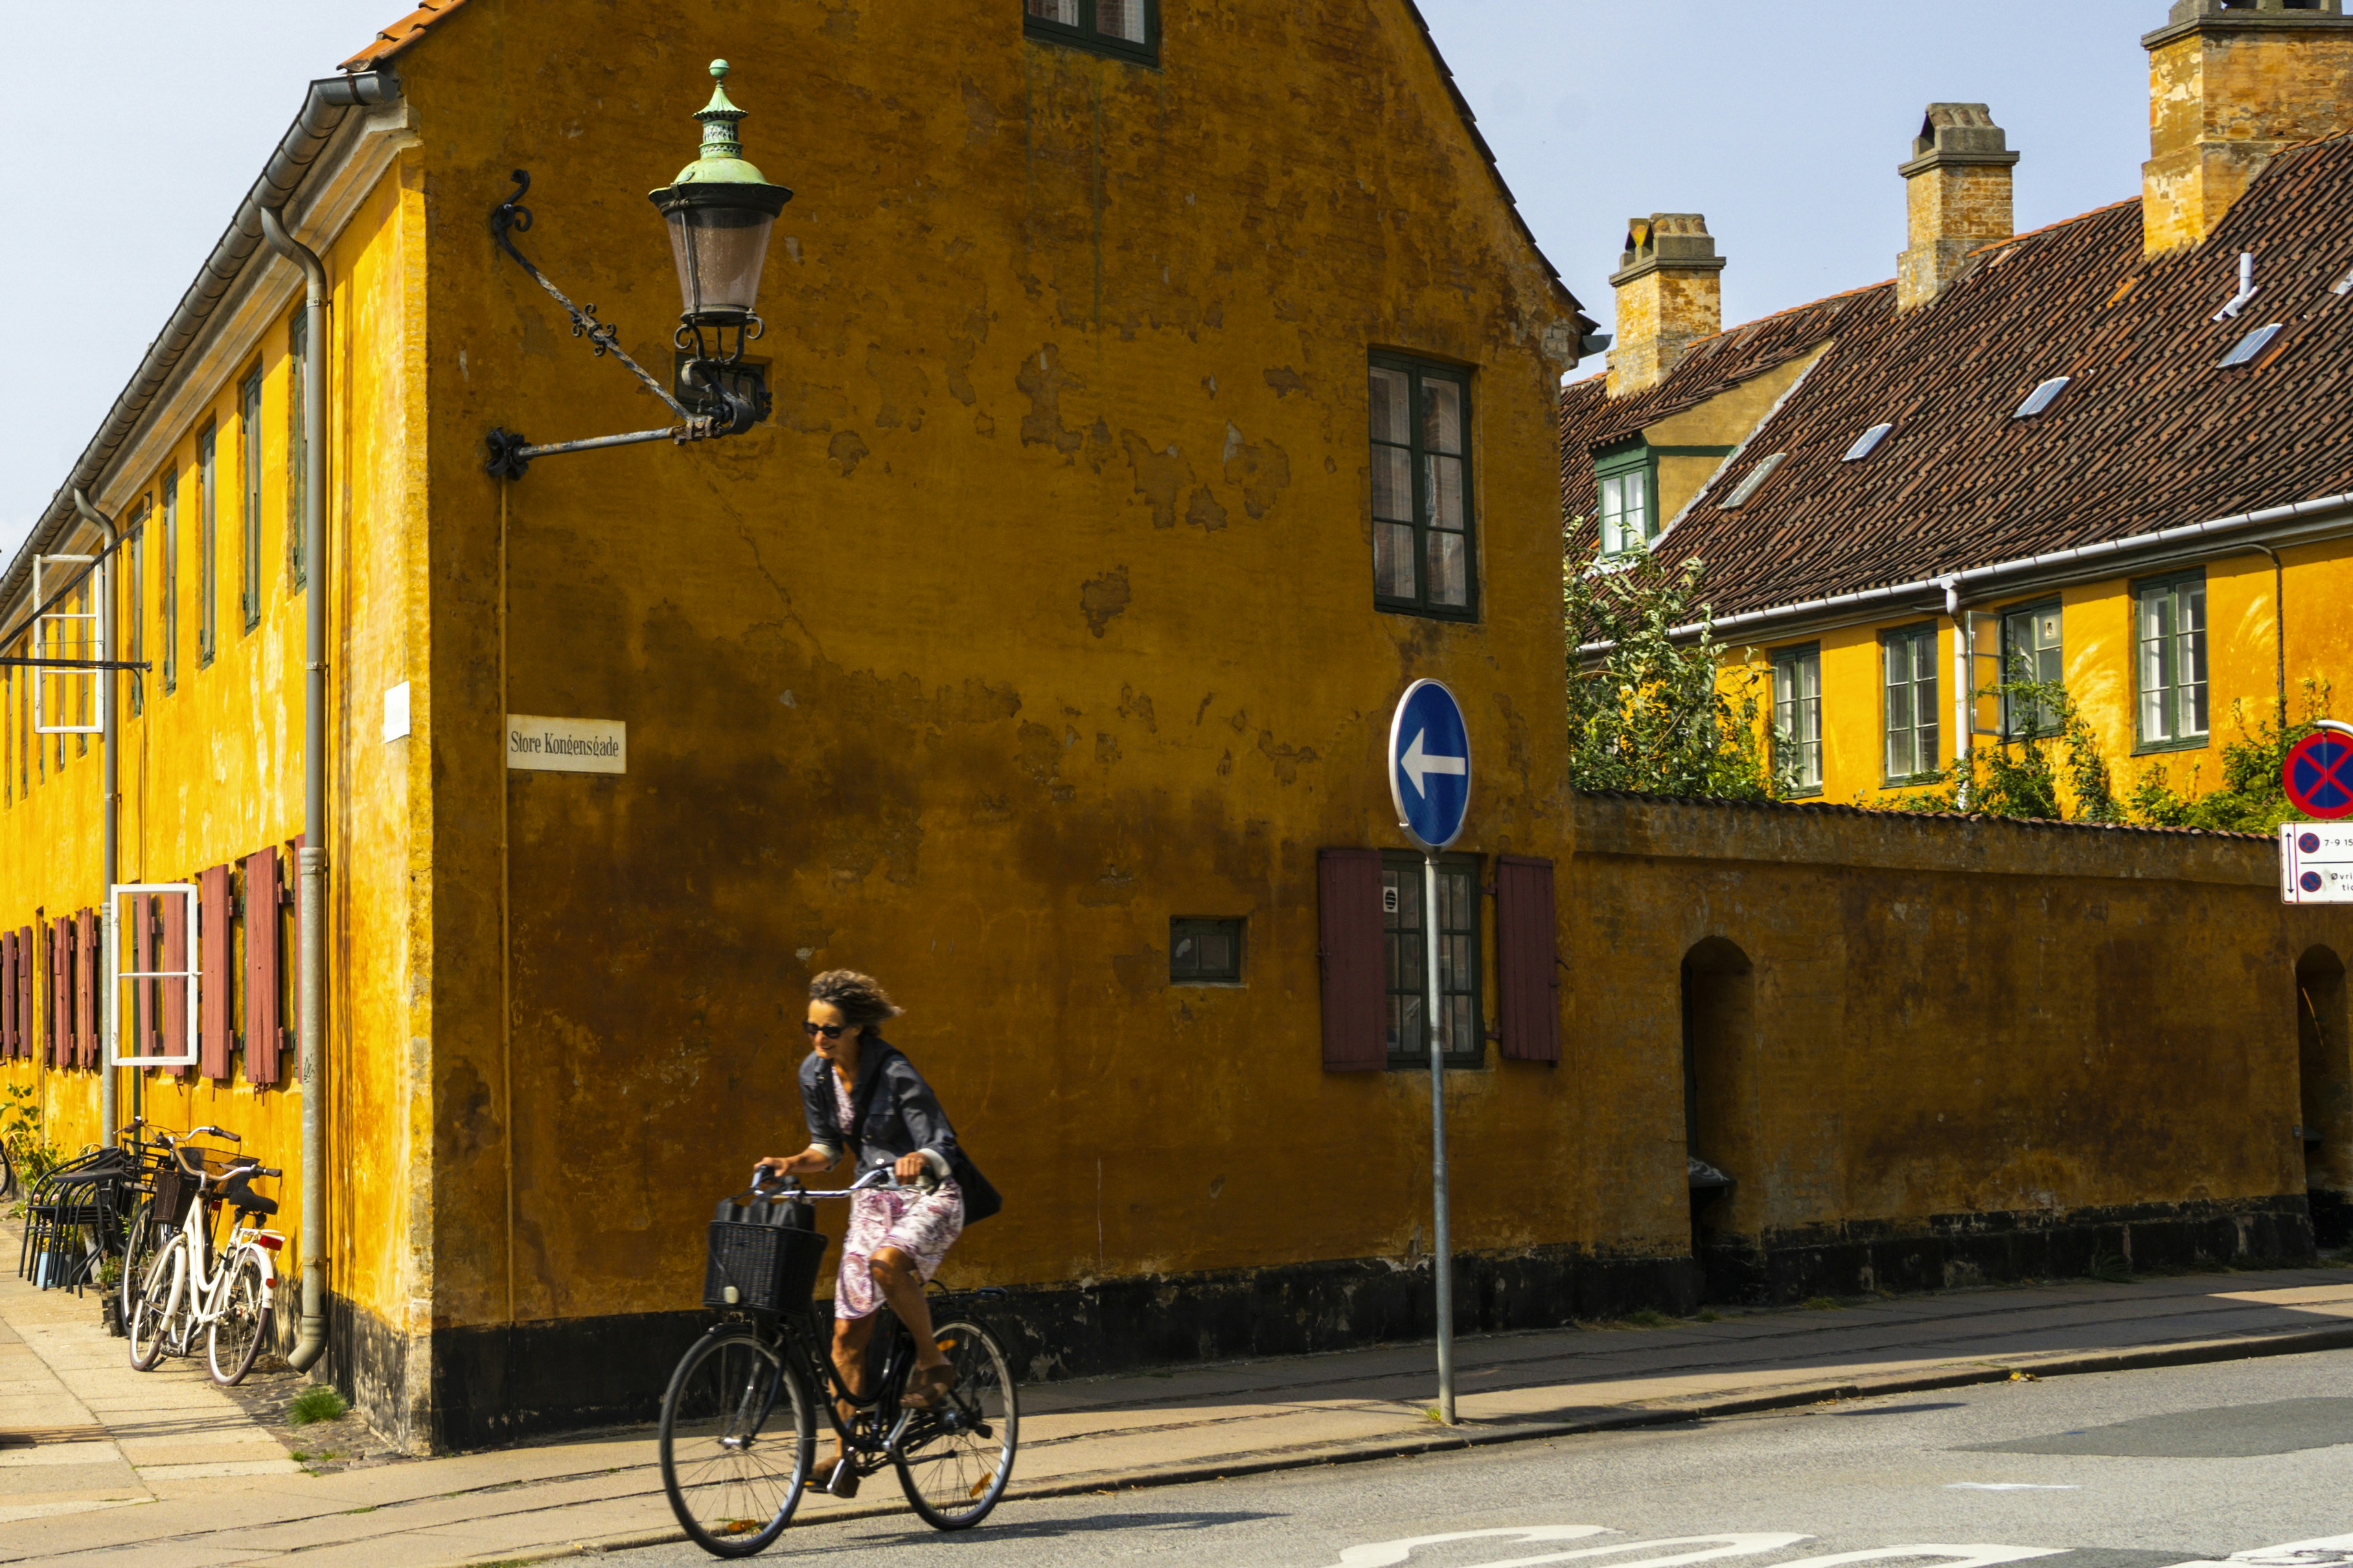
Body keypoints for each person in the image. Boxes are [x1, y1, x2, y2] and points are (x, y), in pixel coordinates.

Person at [756, 970, 965, 1496]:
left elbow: (942, 1140)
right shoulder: (815, 1073)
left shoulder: (894, 1070)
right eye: (811, 1028)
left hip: (929, 1194)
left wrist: (923, 1157)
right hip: (872, 1198)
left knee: (887, 1264)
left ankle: (933, 1362)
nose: (819, 1039)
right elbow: (825, 1149)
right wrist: (789, 1161)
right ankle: (845, 1452)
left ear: (857, 1030)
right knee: (847, 1334)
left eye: (830, 1030)